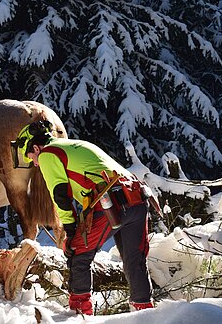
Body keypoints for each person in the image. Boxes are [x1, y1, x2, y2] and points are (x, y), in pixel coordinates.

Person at [12, 120, 154, 315]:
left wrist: (70, 232)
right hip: (137, 199)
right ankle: (145, 312)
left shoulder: (48, 153)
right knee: (134, 259)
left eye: (31, 157)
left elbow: (60, 195)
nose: (35, 163)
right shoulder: (76, 145)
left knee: (77, 253)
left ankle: (80, 314)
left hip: (111, 201)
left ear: (36, 147)